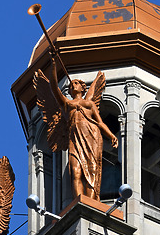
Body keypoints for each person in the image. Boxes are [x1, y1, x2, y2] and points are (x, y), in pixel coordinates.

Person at [49, 58, 118, 200]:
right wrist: (54, 65)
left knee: (92, 170)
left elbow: (99, 123)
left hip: (91, 136)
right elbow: (54, 87)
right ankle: (79, 202)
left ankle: (91, 202)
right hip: (75, 140)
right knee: (75, 171)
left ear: (82, 88)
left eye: (76, 83)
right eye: (71, 84)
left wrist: (111, 135)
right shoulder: (67, 104)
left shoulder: (89, 104)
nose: (72, 85)